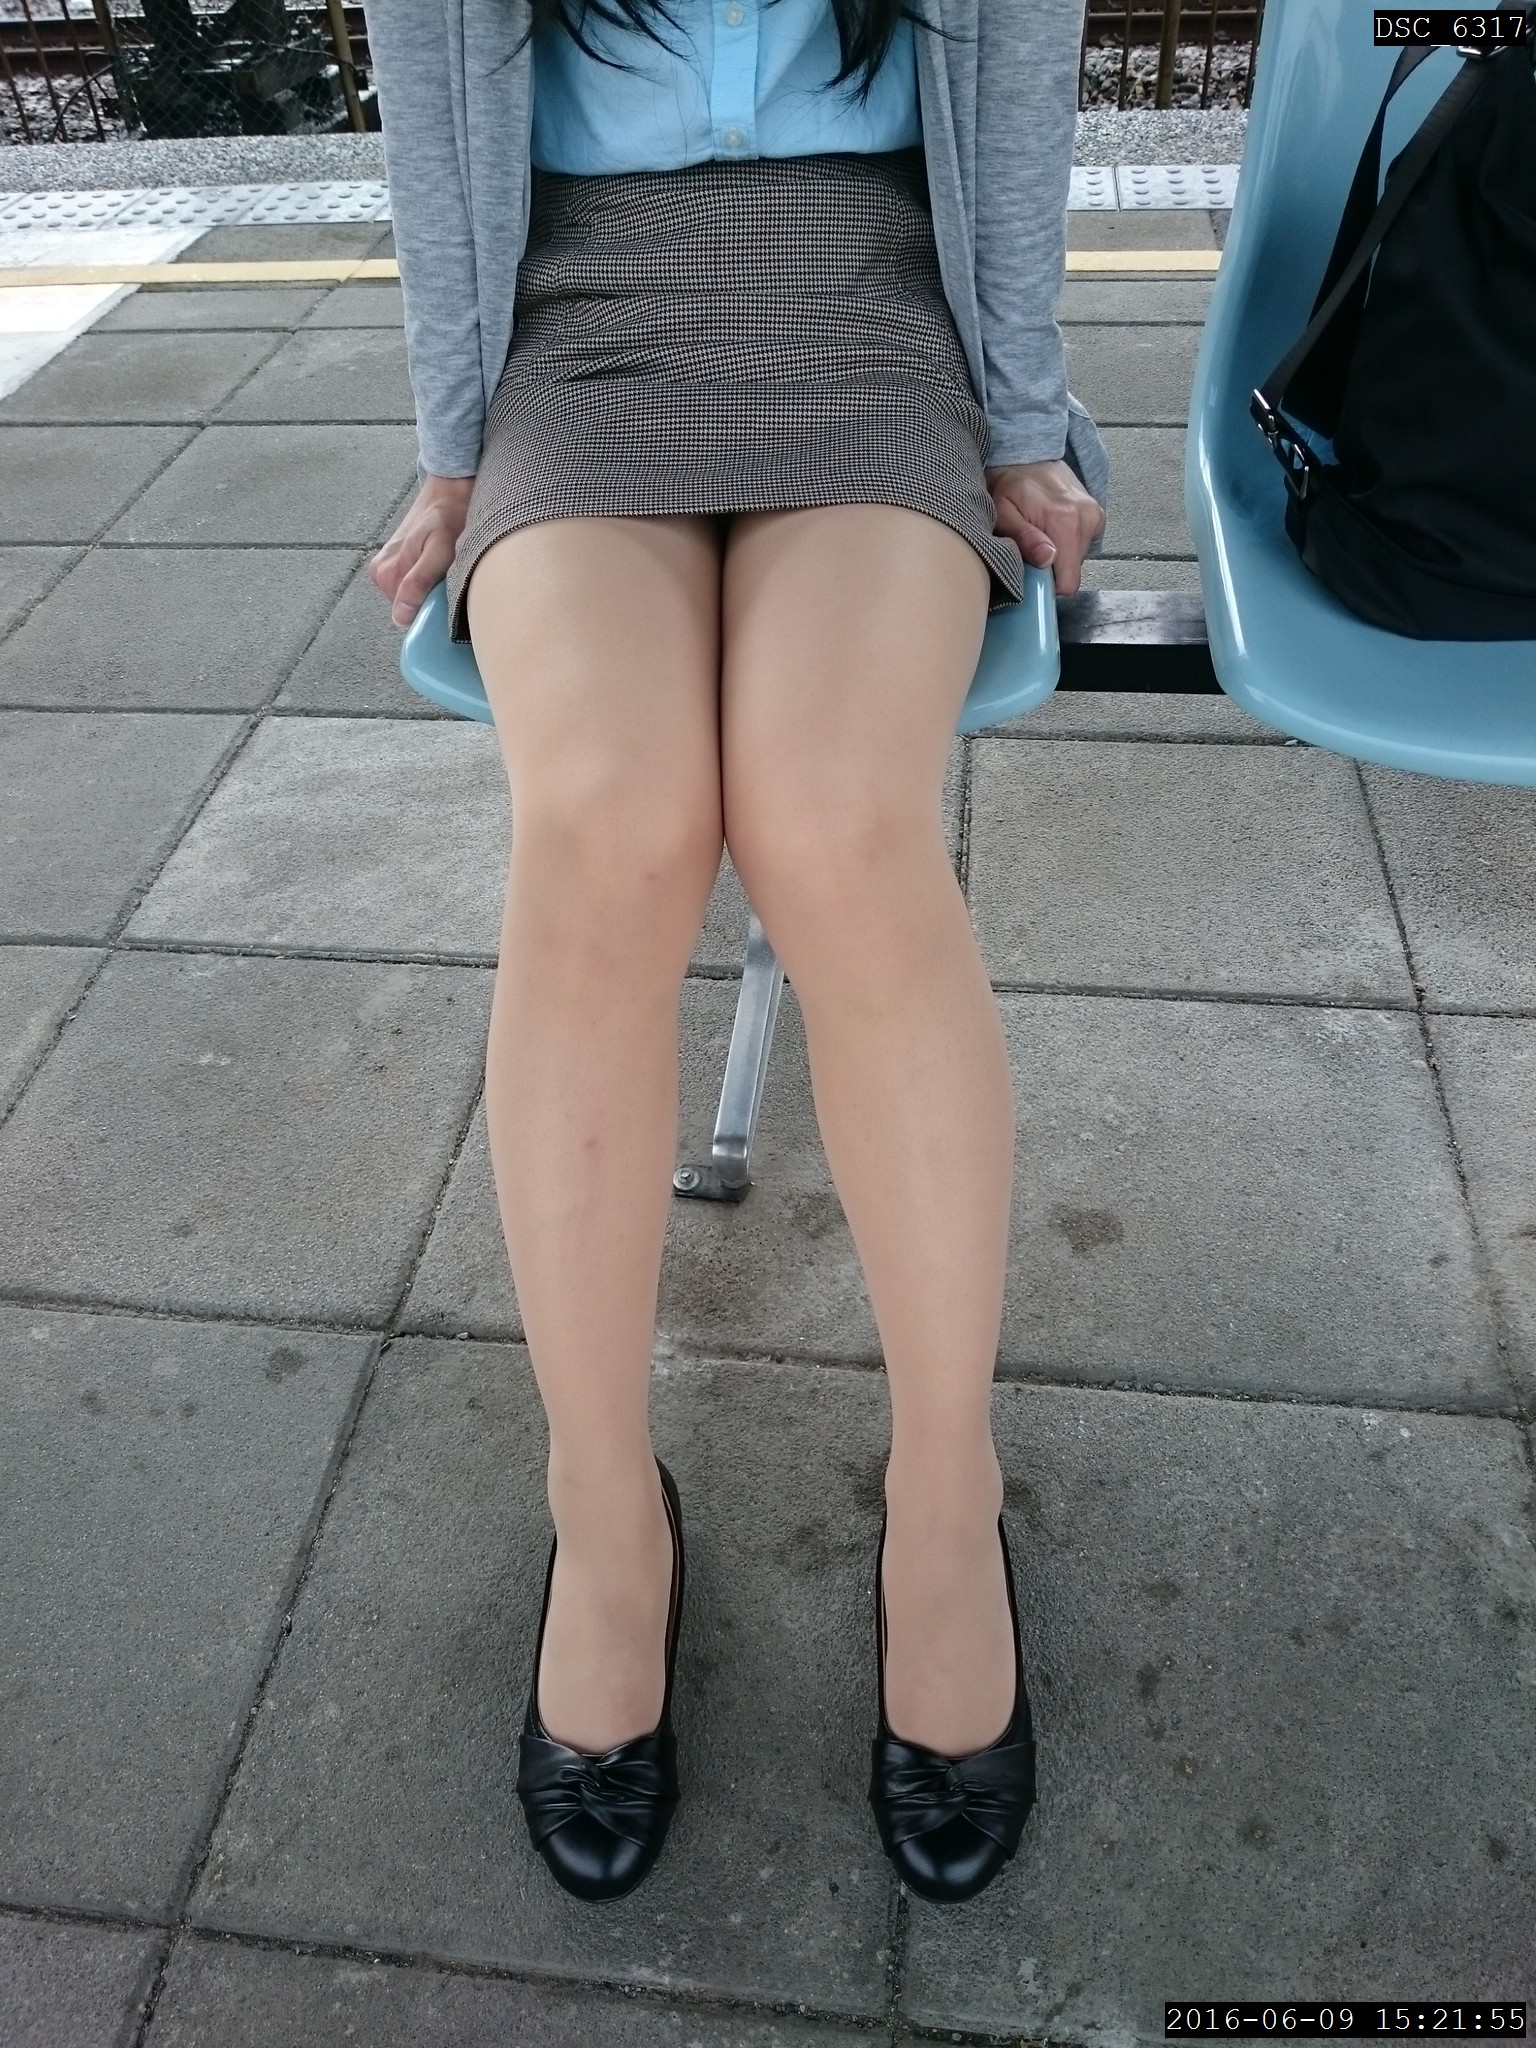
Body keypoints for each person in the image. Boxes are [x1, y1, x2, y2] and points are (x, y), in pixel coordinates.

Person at [365, 0, 1108, 1907]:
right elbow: (435, 80)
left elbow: (1012, 67)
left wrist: (1020, 420)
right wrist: (452, 447)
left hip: (872, 295)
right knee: (605, 823)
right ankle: (604, 1511)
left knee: (840, 821)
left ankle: (946, 1500)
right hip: (575, 319)